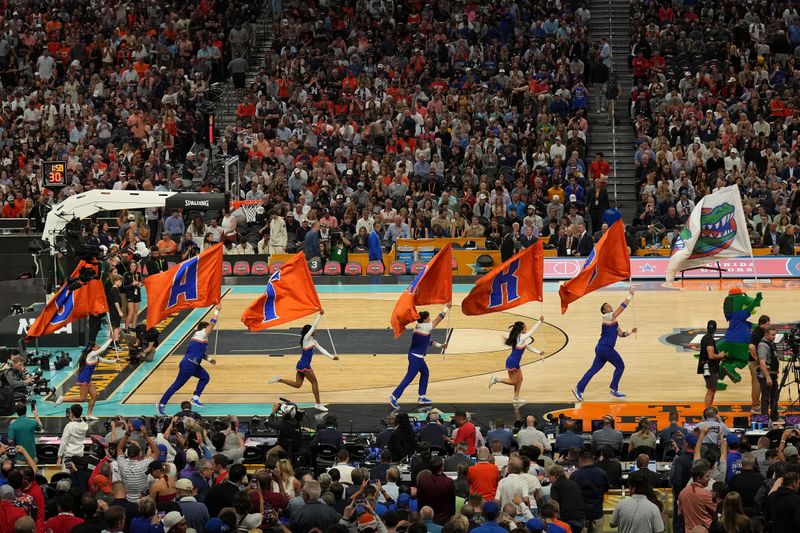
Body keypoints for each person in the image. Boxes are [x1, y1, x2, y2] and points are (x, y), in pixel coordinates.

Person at [573, 287, 637, 401]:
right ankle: (613, 390)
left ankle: (578, 388)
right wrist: (630, 296)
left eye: (609, 305)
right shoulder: (606, 317)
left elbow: (621, 334)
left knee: (593, 370)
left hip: (601, 349)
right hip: (606, 348)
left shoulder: (614, 321)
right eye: (607, 306)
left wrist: (631, 331)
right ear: (604, 311)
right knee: (620, 366)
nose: (610, 306)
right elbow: (619, 310)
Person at [157, 304, 222, 415]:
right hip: (189, 365)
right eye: (207, 328)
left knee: (205, 377)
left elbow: (201, 353)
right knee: (176, 386)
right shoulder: (200, 333)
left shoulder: (200, 338)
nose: (209, 331)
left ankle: (195, 398)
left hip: (193, 365)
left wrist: (210, 359)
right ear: (203, 328)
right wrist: (216, 310)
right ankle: (161, 404)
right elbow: (212, 325)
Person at [269, 310, 339, 411]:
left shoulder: (314, 341)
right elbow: (314, 326)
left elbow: (322, 350)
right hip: (305, 365)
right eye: (312, 330)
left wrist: (332, 357)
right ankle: (318, 404)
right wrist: (319, 315)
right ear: (309, 331)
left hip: (300, 364)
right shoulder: (306, 338)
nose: (315, 331)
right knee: (314, 382)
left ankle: (279, 379)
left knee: (298, 385)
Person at [389, 303, 451, 409]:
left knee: (425, 373)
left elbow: (428, 341)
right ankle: (394, 396)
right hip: (416, 358)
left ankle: (422, 396)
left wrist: (440, 345)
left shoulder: (420, 327)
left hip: (417, 357)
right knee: (409, 378)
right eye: (429, 318)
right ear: (426, 319)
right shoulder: (426, 327)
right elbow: (438, 319)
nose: (430, 319)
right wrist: (446, 308)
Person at [54, 339, 115, 420]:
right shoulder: (90, 355)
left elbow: (105, 361)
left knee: (94, 395)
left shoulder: (96, 356)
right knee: (82, 399)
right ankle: (63, 399)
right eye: (96, 345)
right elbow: (103, 349)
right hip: (84, 379)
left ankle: (89, 414)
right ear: (93, 348)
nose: (98, 346)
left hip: (88, 379)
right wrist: (111, 339)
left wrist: (115, 361)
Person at [488, 317, 544, 404]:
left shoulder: (520, 338)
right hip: (512, 362)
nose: (526, 328)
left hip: (515, 362)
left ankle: (516, 398)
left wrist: (539, 352)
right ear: (521, 330)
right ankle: (496, 379)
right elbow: (532, 331)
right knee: (514, 382)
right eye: (525, 327)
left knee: (520, 379)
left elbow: (528, 347)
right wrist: (539, 321)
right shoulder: (521, 337)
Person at [699, 320, 726, 408]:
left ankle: (708, 408)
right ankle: (707, 411)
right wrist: (720, 355)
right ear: (715, 329)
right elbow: (711, 356)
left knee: (711, 390)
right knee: (710, 391)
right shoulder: (709, 339)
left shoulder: (705, 338)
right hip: (710, 369)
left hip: (708, 368)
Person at [756, 327, 780, 422]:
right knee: (766, 397)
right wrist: (768, 377)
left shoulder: (771, 344)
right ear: (766, 335)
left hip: (773, 375)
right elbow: (762, 363)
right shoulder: (762, 345)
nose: (774, 337)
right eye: (772, 335)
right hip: (766, 376)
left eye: (775, 335)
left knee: (774, 396)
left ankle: (774, 417)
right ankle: (765, 419)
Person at [56, 404, 89, 468]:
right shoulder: (85, 425)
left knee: (67, 476)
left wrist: (59, 456)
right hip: (80, 455)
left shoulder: (69, 426)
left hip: (69, 456)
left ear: (72, 414)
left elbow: (63, 442)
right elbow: (80, 421)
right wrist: (73, 418)